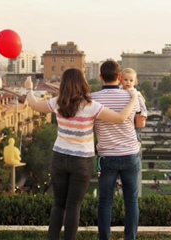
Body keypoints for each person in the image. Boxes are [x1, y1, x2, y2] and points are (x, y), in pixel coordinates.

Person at [24, 68, 138, 240]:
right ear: (82, 83)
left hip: (59, 159)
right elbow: (121, 118)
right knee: (73, 207)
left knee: (58, 205)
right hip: (82, 162)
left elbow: (33, 104)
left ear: (63, 84)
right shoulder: (91, 106)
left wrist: (28, 89)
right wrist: (134, 98)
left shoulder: (57, 103)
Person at [91, 60, 141, 240]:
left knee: (105, 201)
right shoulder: (131, 97)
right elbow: (139, 123)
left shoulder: (93, 99)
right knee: (131, 201)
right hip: (130, 155)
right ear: (120, 77)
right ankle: (130, 238)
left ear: (100, 77)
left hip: (107, 157)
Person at [121, 68, 147, 141]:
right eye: (125, 80)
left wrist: (144, 114)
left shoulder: (136, 93)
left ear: (135, 82)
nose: (128, 82)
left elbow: (143, 106)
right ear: (120, 79)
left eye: (131, 80)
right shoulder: (118, 90)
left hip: (135, 116)